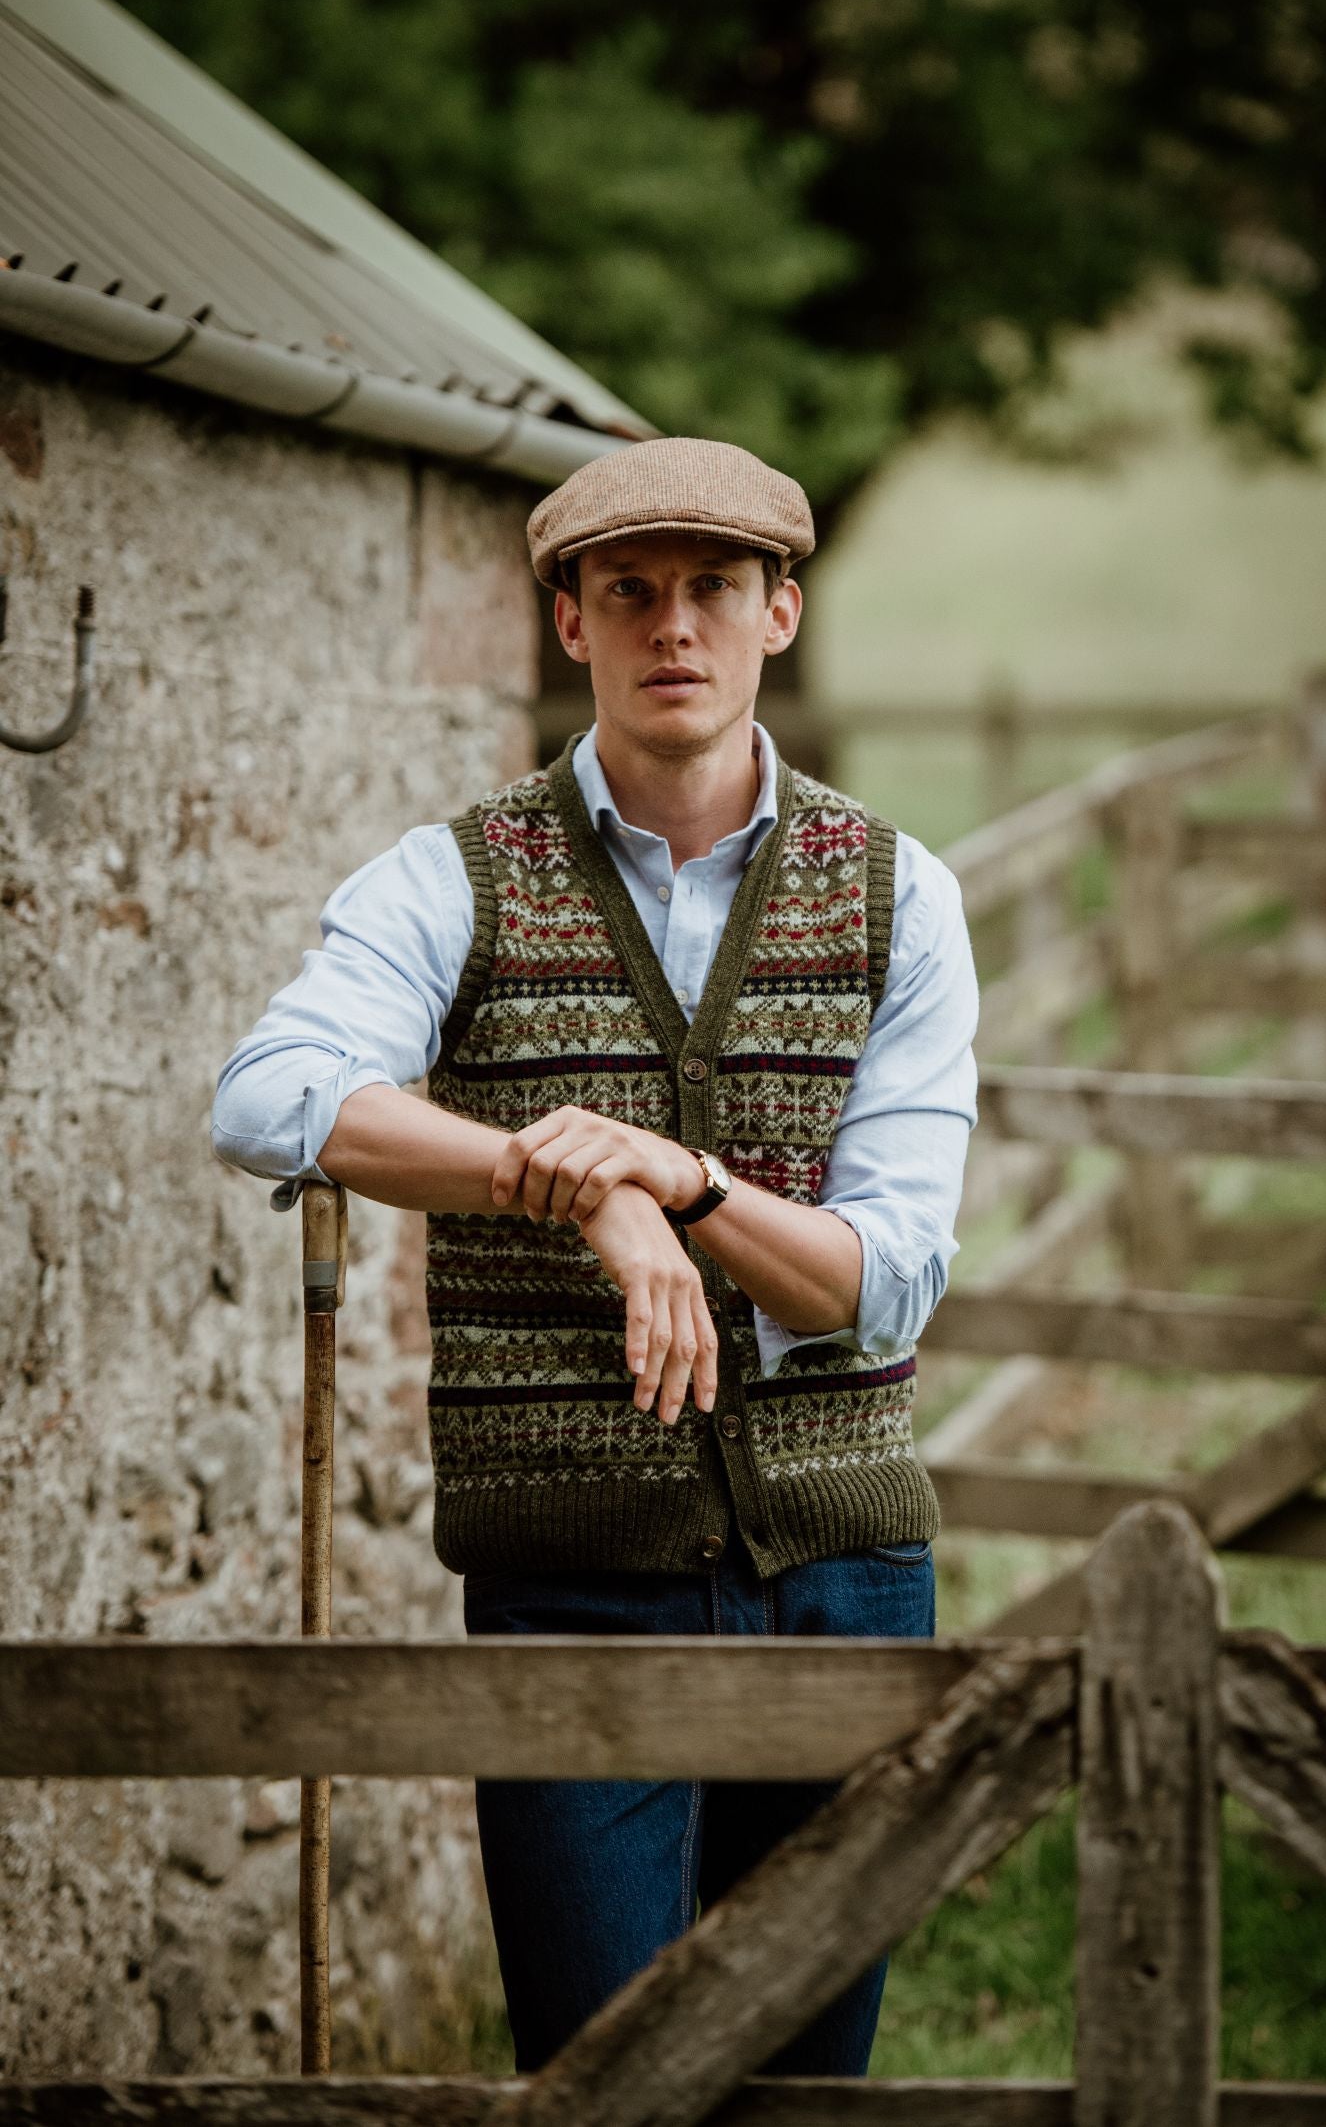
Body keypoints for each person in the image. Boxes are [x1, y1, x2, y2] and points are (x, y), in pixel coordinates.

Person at [211, 435, 979, 2077]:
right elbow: (271, 1095)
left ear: (780, 609)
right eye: (627, 592)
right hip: (571, 1572)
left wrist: (684, 1181)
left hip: (843, 1574)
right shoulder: (454, 876)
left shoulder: (900, 896)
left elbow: (885, 1279)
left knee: (803, 2079)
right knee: (600, 2074)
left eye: (711, 588)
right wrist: (567, 1186)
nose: (671, 627)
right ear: (570, 623)